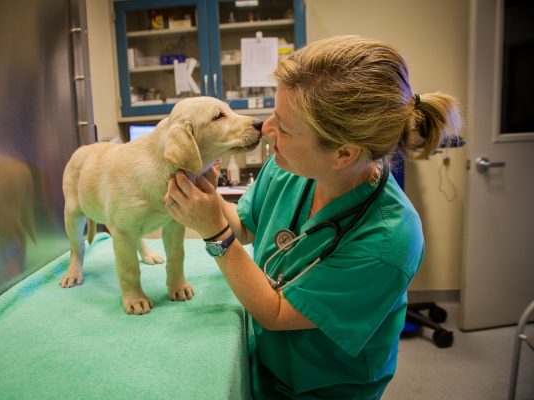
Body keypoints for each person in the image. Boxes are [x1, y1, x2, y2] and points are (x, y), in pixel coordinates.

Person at [164, 35, 462, 399]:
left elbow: (275, 312)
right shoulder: (287, 165)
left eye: (284, 127)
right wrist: (207, 201)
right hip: (267, 364)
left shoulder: (388, 240)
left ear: (343, 154)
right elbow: (242, 225)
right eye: (274, 112)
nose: (266, 129)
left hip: (326, 387)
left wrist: (216, 235)